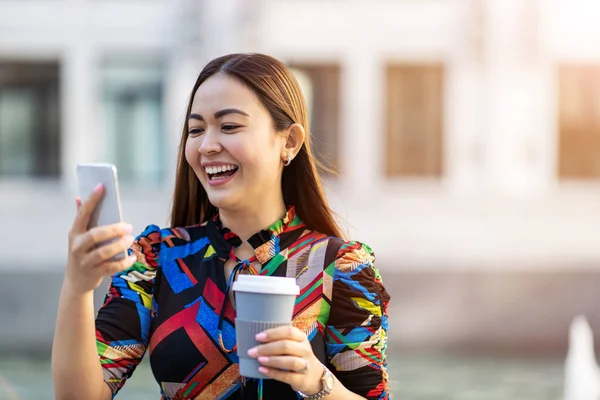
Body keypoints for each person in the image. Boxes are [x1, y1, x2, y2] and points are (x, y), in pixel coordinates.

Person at [52, 53, 390, 400]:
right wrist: (78, 287)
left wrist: (315, 380)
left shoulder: (341, 267)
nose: (207, 145)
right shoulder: (157, 258)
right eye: (196, 130)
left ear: (289, 141)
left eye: (229, 126)